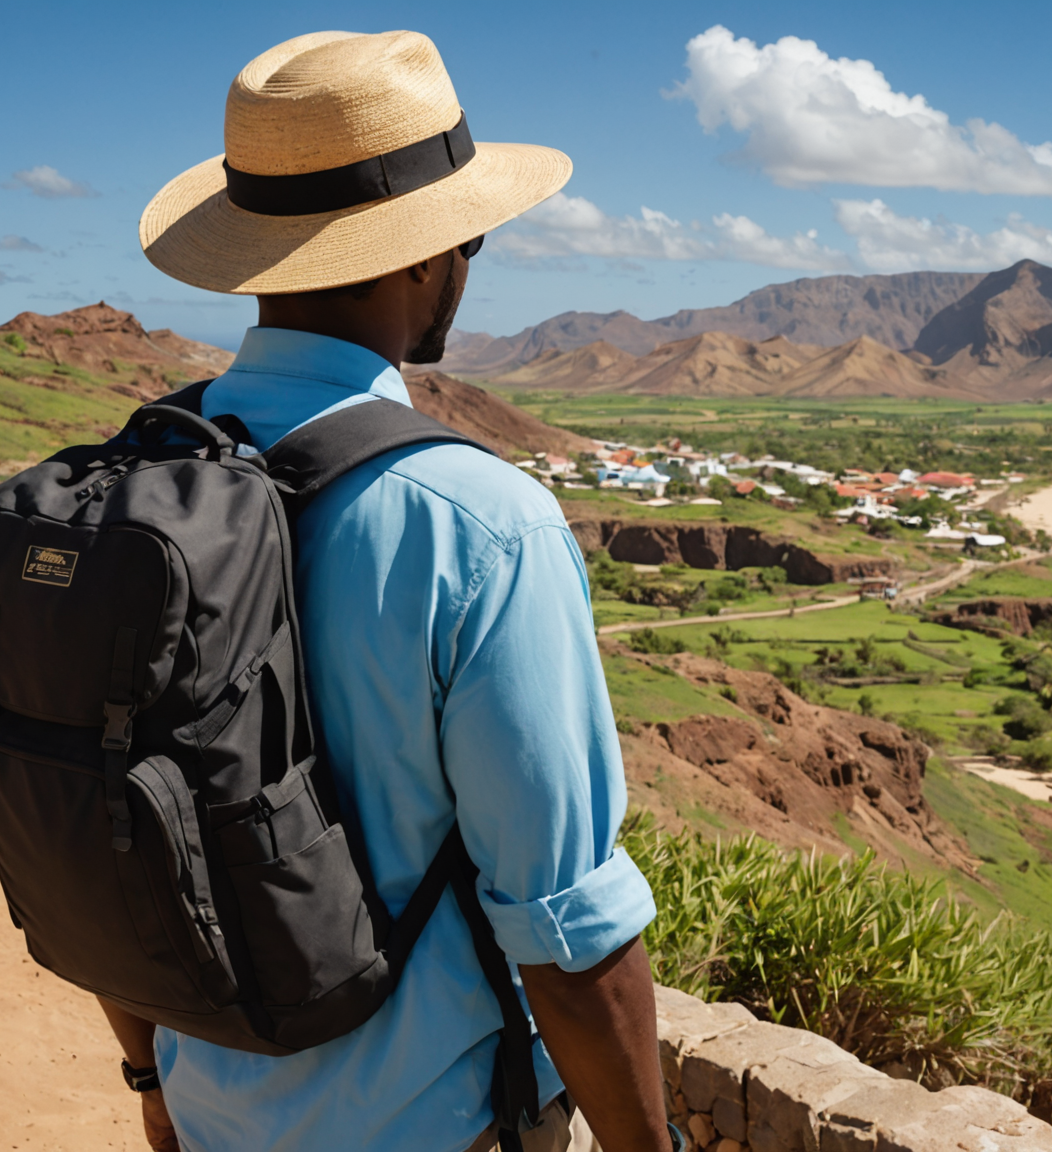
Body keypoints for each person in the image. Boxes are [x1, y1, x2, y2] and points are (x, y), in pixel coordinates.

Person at [116, 29, 669, 1152]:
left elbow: (112, 836)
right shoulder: (478, 523)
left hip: (212, 1114)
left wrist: (152, 1088)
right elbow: (567, 930)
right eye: (467, 231)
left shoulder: (138, 488)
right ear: (426, 254)